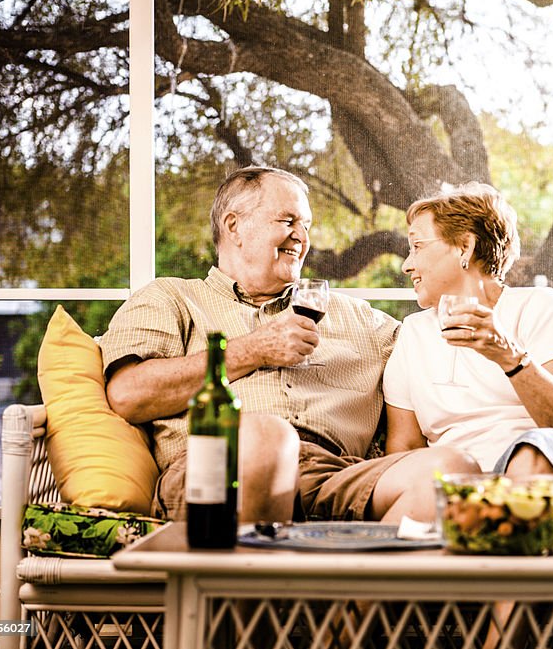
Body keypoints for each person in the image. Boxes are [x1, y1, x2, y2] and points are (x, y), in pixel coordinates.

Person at [101, 166, 476, 524]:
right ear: (234, 226)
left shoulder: (358, 318)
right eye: (288, 221)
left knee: (450, 472)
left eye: (306, 226)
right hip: (219, 470)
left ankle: (355, 591)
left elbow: (446, 351)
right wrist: (253, 350)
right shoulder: (171, 298)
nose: (302, 236)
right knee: (266, 434)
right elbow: (129, 395)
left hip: (333, 476)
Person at [383, 183, 553, 524]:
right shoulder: (412, 334)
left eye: (417, 247)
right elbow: (404, 450)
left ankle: (509, 512)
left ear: (465, 247)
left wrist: (509, 356)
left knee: (531, 452)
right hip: (494, 492)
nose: (406, 265)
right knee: (544, 509)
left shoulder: (537, 306)